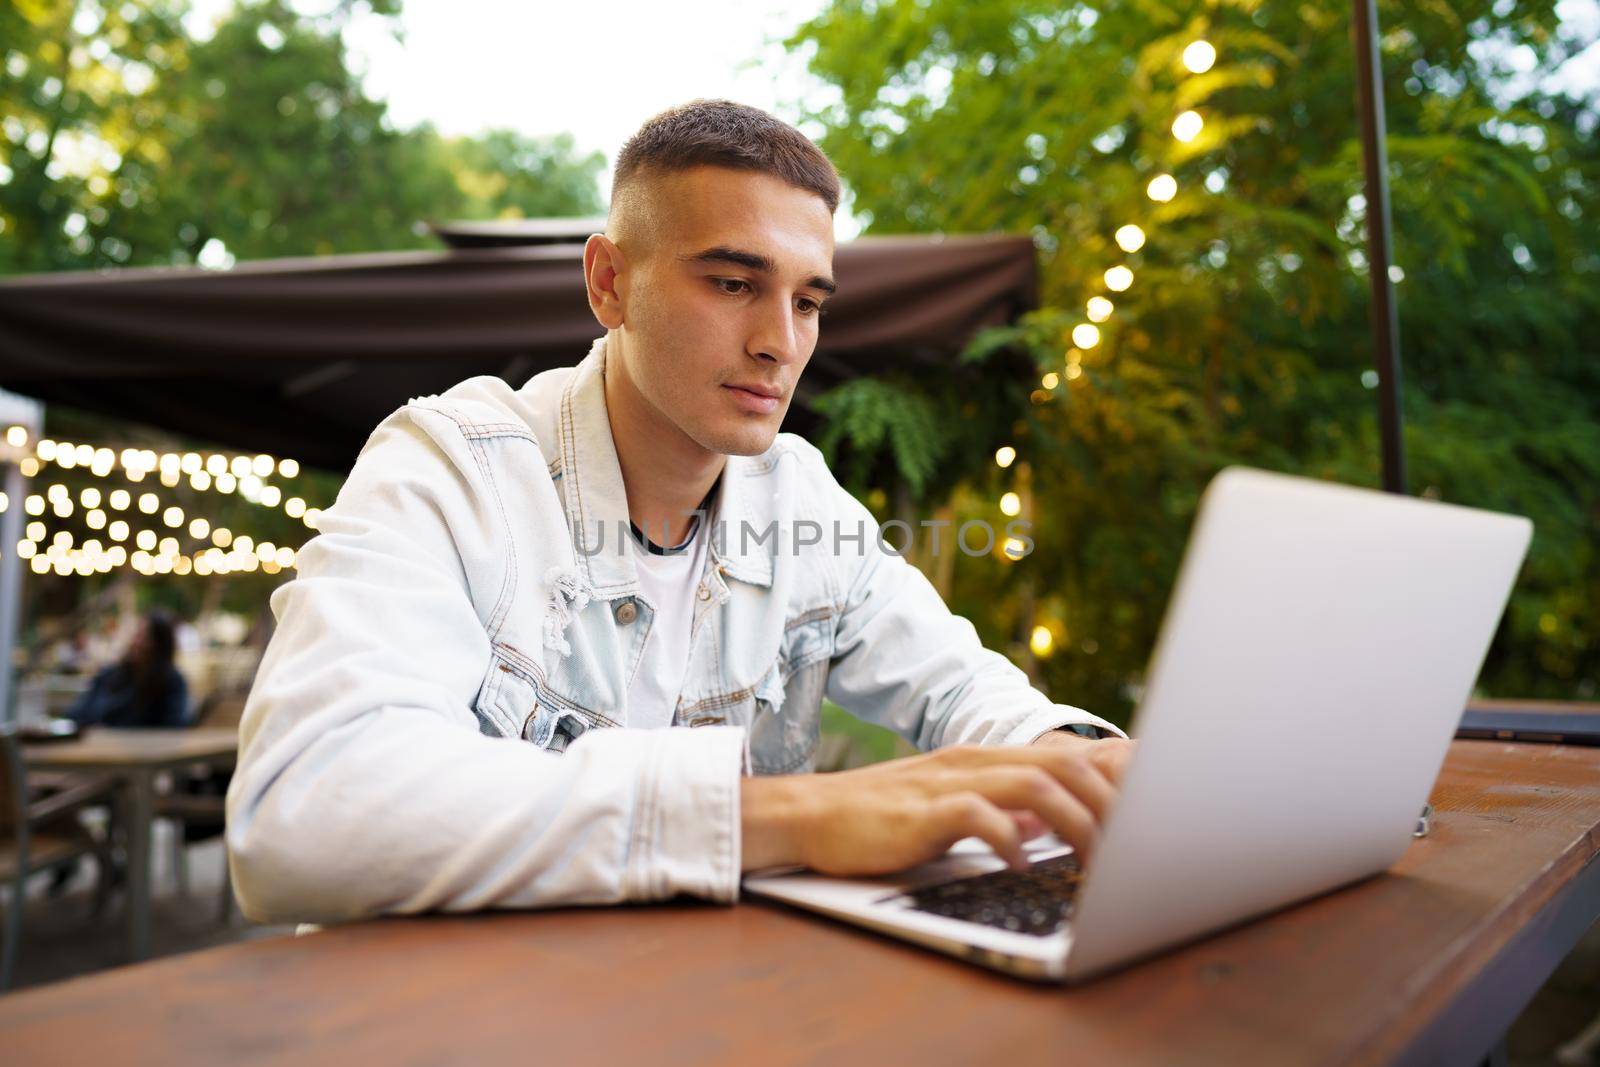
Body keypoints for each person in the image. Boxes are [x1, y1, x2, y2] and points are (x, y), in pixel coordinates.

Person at [228, 101, 1134, 924]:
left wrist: (1077, 761)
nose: (780, 342)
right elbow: (302, 810)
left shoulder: (801, 499)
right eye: (734, 283)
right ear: (609, 282)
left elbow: (962, 687)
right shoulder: (452, 467)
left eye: (809, 300)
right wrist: (792, 814)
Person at [66, 610, 191, 729]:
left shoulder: (171, 682)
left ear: (161, 645)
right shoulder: (110, 674)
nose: (136, 642)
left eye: (145, 638)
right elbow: (76, 713)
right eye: (137, 635)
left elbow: (174, 726)